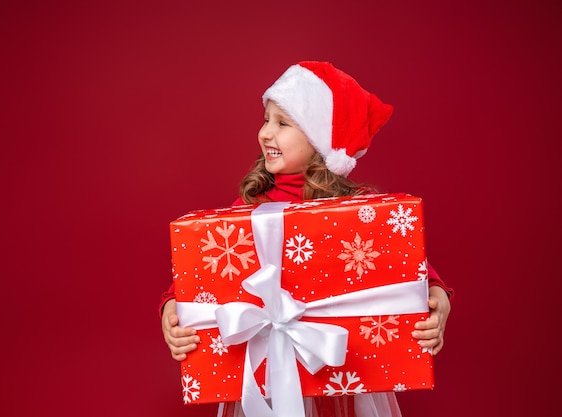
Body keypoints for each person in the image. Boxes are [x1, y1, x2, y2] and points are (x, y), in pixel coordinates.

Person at [160, 61, 454, 417]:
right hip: (267, 371)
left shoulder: (360, 211)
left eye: (282, 123)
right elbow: (199, 284)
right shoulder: (249, 208)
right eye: (266, 119)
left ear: (320, 141)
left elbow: (411, 275)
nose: (266, 133)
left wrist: (438, 301)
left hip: (343, 372)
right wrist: (172, 310)